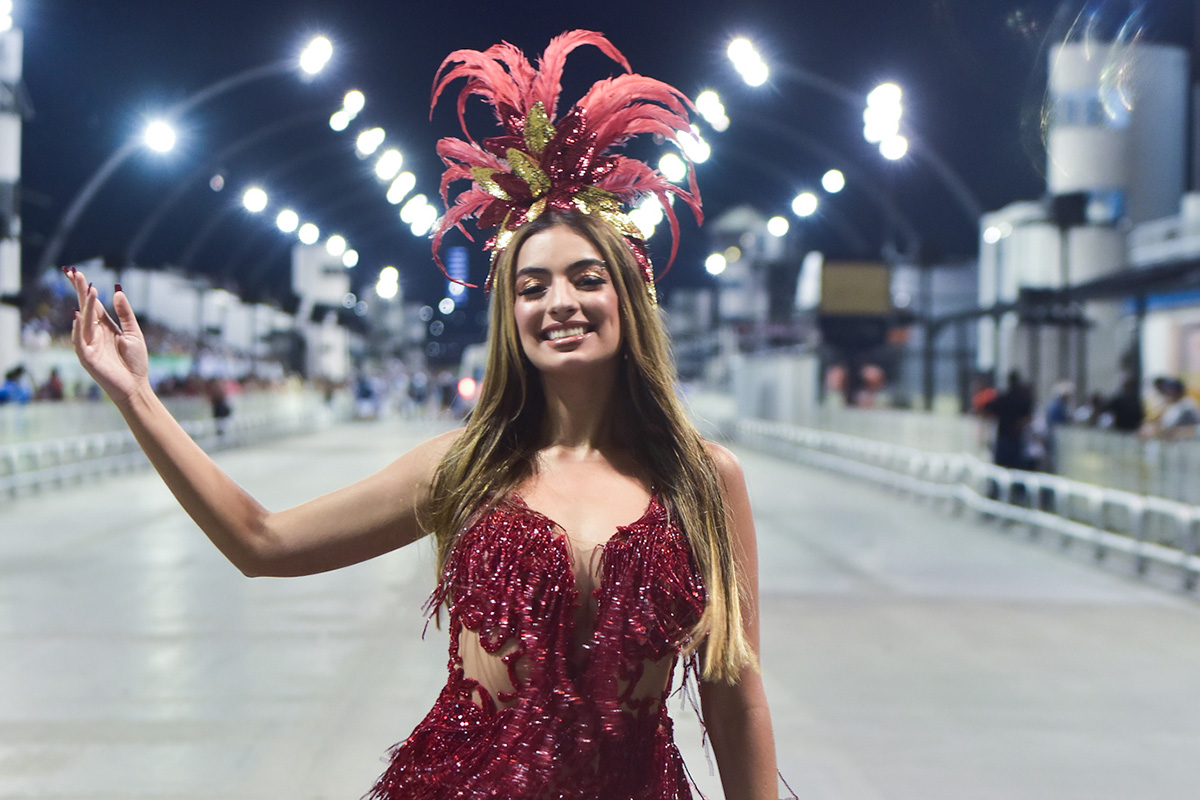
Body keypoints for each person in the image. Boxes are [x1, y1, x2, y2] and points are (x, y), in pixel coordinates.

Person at [64, 31, 786, 800]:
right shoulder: (466, 467)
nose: (561, 303)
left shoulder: (703, 480)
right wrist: (137, 397)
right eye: (532, 287)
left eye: (586, 278)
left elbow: (735, 698)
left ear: (628, 299)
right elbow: (261, 542)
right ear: (509, 315)